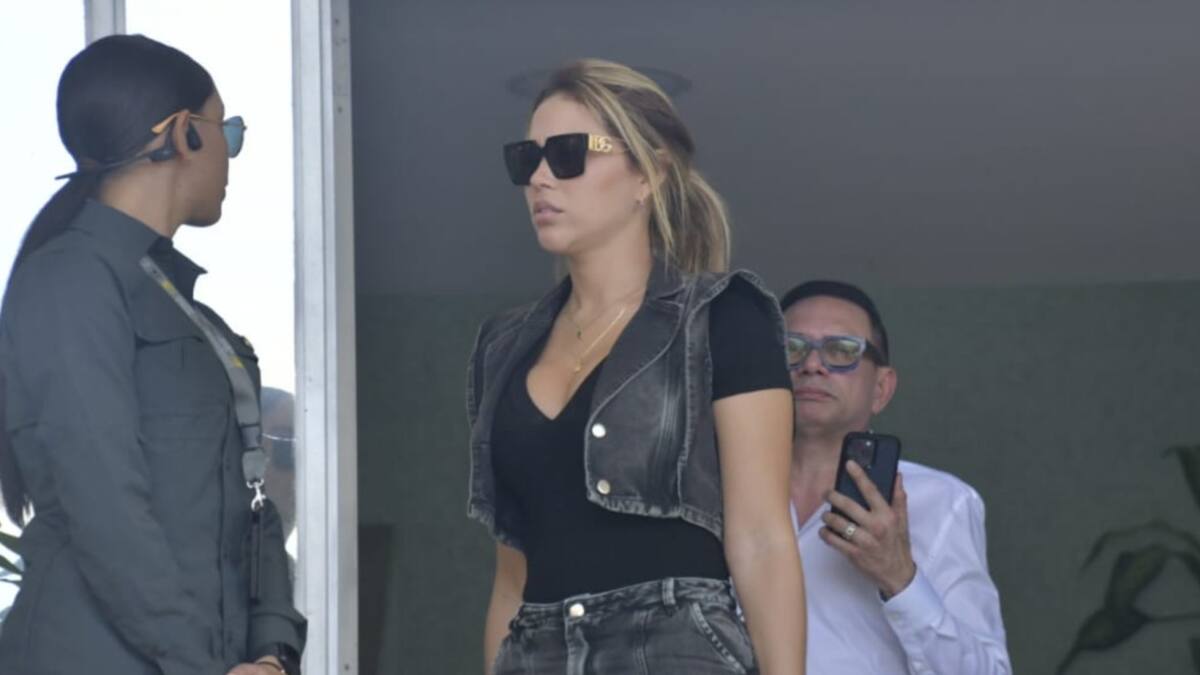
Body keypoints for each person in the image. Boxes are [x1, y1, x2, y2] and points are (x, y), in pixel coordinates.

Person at [467, 59, 806, 674]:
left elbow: (762, 540)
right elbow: (511, 576)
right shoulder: (503, 346)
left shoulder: (723, 316)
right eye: (527, 159)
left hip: (675, 649)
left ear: (649, 174)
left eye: (568, 154)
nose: (540, 177)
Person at [0, 35, 305, 675]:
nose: (231, 154)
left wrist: (271, 653)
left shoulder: (183, 308)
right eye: (228, 131)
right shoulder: (72, 280)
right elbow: (104, 506)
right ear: (184, 133)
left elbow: (252, 510)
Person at [780, 280, 1010, 674]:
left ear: (881, 388)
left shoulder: (941, 501)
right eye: (791, 348)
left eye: (842, 350)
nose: (812, 365)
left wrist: (899, 577)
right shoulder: (711, 494)